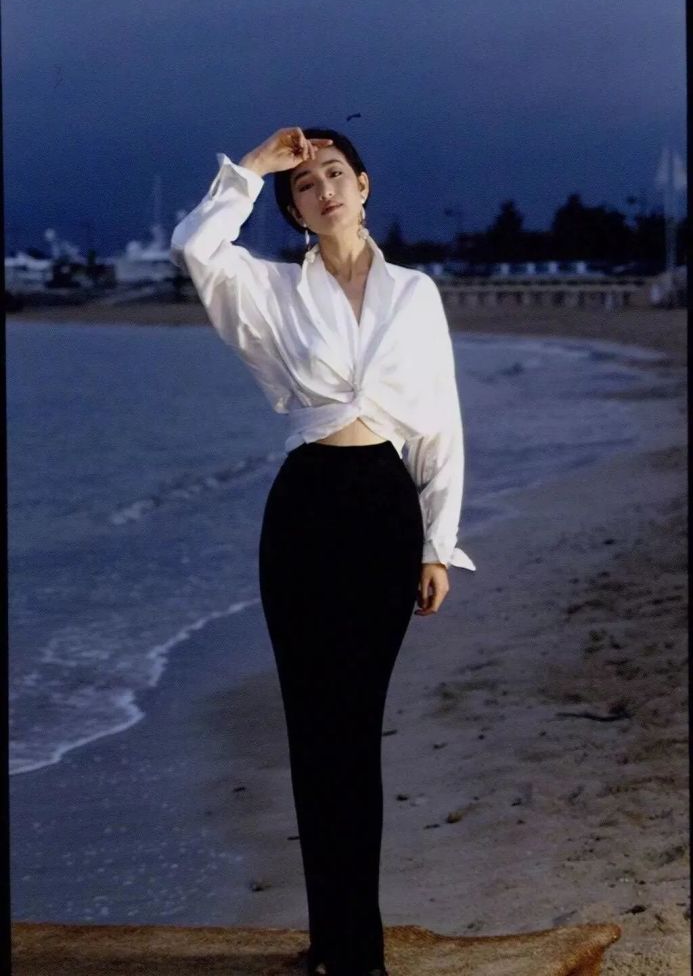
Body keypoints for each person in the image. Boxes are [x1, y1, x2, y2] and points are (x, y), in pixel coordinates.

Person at [170, 126, 477, 976]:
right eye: (305, 186)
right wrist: (252, 169)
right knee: (313, 731)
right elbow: (194, 247)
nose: (324, 190)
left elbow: (440, 424)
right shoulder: (268, 292)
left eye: (335, 174)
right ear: (297, 211)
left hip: (384, 511)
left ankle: (357, 950)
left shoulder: (415, 294)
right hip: (304, 512)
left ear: (364, 186)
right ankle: (336, 949)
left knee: (355, 729)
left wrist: (438, 543)